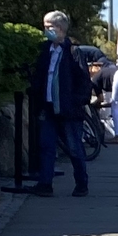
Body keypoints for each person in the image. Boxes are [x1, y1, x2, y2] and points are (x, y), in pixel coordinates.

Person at [28, 12, 95, 197]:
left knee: (74, 148)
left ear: (61, 29)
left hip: (69, 111)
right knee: (47, 147)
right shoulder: (46, 50)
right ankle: (45, 184)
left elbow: (84, 82)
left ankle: (82, 183)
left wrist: (76, 102)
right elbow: (41, 77)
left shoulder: (73, 52)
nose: (46, 30)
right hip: (49, 108)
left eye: (49, 26)